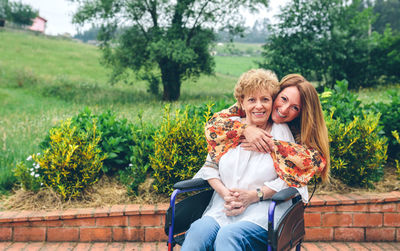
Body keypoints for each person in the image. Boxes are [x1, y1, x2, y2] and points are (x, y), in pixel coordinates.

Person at [181, 69, 313, 251]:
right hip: (222, 208)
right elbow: (210, 167)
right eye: (252, 99)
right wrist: (225, 193)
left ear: (271, 101)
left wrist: (254, 195)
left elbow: (290, 179)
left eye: (265, 99)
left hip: (261, 213)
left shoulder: (280, 134)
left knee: (229, 236)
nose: (258, 106)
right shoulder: (229, 129)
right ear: (241, 103)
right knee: (197, 231)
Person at [205, 73, 330, 187]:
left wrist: (273, 145)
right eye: (284, 99)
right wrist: (245, 129)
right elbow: (213, 125)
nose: (284, 109)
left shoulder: (290, 129)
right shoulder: (244, 109)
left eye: (295, 108)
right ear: (275, 95)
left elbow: (316, 161)